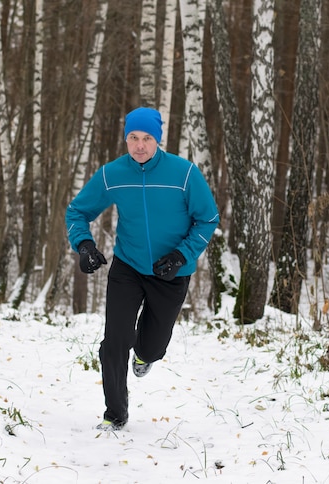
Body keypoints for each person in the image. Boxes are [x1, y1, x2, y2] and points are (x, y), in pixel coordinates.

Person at [65, 107, 220, 431]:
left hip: (171, 271)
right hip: (129, 266)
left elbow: (207, 219)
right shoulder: (113, 173)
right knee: (115, 340)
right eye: (133, 138)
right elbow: (77, 211)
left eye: (147, 138)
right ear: (126, 139)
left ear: (157, 140)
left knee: (151, 346)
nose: (139, 145)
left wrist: (181, 255)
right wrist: (85, 245)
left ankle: (145, 355)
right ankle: (115, 413)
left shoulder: (185, 174)